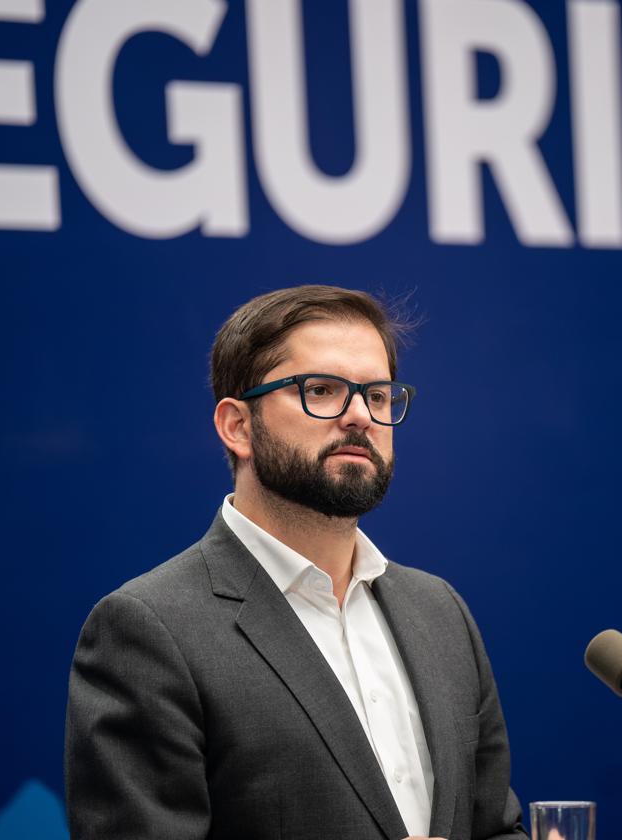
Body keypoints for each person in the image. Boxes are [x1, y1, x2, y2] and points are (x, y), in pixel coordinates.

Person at [64, 285, 526, 840]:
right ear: (238, 426)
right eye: (323, 390)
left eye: (377, 395)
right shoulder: (149, 629)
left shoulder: (439, 612)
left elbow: (494, 827)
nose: (360, 416)